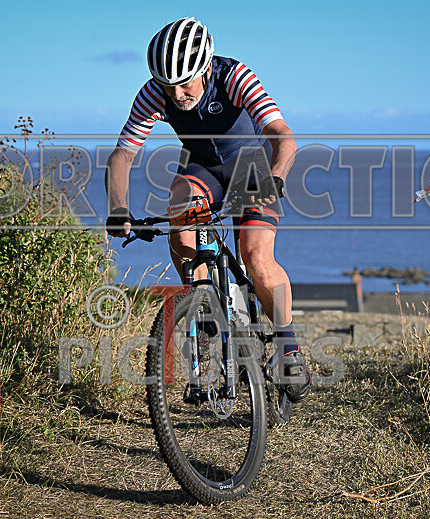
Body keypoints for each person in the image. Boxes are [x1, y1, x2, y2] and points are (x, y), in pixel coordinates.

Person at [104, 17, 310, 402]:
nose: (177, 93)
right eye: (169, 84)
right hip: (203, 169)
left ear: (205, 68)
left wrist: (277, 176)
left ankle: (288, 346)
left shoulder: (234, 76)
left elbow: (283, 136)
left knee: (256, 256)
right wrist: (119, 208)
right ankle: (202, 306)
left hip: (253, 166)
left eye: (186, 82)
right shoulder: (155, 93)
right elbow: (122, 155)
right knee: (180, 212)